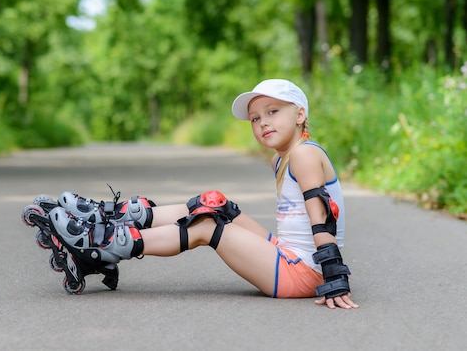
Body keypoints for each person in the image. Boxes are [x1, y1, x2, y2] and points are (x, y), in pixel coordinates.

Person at [32, 78, 358, 309]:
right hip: (288, 254)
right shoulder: (282, 157)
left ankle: (102, 245)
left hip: (303, 272)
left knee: (206, 226)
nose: (262, 123)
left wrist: (334, 274)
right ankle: (107, 216)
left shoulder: (304, 154)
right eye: (256, 118)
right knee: (213, 203)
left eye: (273, 112)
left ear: (299, 114)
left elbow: (322, 217)